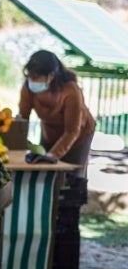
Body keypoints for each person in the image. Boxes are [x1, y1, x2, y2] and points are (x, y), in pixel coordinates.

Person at [18, 50, 95, 178]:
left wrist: (52, 156)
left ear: (51, 76)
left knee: (71, 177)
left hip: (78, 135)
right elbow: (22, 120)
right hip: (50, 132)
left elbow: (72, 131)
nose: (32, 80)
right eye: (30, 76)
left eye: (36, 77)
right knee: (44, 172)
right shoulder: (28, 87)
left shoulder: (71, 90)